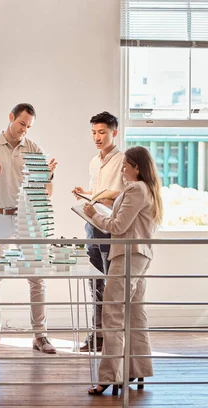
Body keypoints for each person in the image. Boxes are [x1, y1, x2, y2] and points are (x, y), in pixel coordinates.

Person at [0, 103, 58, 354]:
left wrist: (46, 177)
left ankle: (40, 336)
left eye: (29, 126)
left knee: (37, 276)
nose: (24, 130)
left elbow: (47, 194)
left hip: (26, 219)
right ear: (11, 117)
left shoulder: (33, 149)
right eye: (22, 124)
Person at [84, 146, 163, 395]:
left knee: (112, 314)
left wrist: (92, 214)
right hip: (140, 255)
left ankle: (109, 377)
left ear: (137, 167)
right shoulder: (147, 190)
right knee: (135, 314)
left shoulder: (136, 189)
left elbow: (117, 226)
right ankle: (136, 370)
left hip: (127, 256)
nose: (122, 169)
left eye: (126, 165)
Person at [72, 111, 126, 352]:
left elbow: (124, 196)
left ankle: (109, 338)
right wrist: (87, 193)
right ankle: (97, 335)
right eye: (94, 132)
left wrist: (102, 198)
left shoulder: (124, 161)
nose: (97, 137)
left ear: (114, 133)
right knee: (94, 284)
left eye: (102, 132)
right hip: (91, 226)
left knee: (109, 284)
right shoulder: (94, 162)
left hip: (110, 229)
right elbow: (98, 192)